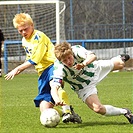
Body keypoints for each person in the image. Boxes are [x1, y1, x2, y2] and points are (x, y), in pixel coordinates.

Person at [4, 13, 82, 124]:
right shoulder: (24, 41)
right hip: (42, 73)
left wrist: (18, 69)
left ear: (32, 25)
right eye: (20, 31)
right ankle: (69, 114)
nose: (23, 33)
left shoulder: (38, 36)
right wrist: (22, 67)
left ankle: (67, 111)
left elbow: (36, 59)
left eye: (25, 29)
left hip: (52, 66)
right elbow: (29, 58)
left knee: (55, 86)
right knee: (44, 108)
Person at [50, 41, 133, 124]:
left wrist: (83, 64)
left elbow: (93, 56)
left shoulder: (76, 50)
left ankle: (119, 58)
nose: (69, 61)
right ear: (60, 61)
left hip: (95, 70)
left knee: (121, 65)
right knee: (98, 108)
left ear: (71, 52)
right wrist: (56, 99)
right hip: (84, 87)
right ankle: (125, 112)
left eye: (69, 57)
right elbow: (54, 87)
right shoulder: (59, 68)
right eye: (65, 60)